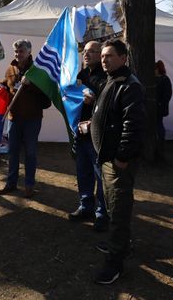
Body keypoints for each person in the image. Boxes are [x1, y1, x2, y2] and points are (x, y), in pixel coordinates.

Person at [85, 39, 146, 285]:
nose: (104, 59)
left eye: (110, 56)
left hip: (117, 161)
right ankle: (118, 245)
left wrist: (122, 156)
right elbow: (110, 116)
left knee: (119, 210)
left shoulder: (130, 85)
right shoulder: (112, 81)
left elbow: (134, 124)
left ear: (123, 58)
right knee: (112, 206)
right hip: (107, 158)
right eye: (103, 56)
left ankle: (115, 261)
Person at [0, 39, 50, 198]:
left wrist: (31, 84)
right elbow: (7, 83)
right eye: (16, 51)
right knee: (12, 152)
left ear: (29, 52)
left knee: (30, 153)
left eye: (21, 51)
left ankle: (29, 184)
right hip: (14, 118)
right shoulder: (11, 68)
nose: (18, 54)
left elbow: (46, 96)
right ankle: (11, 183)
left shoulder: (38, 71)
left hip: (32, 119)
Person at [68, 41, 109, 232]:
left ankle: (102, 213)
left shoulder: (107, 77)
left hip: (98, 135)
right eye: (85, 51)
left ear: (100, 54)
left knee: (99, 175)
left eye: (92, 51)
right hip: (81, 134)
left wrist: (93, 103)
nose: (87, 54)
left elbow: (109, 106)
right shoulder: (81, 75)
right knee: (83, 172)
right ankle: (85, 206)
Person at [154, 60, 172, 162]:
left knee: (159, 126)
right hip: (154, 108)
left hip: (159, 108)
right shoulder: (153, 79)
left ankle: (160, 145)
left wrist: (161, 104)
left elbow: (167, 94)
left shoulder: (164, 79)